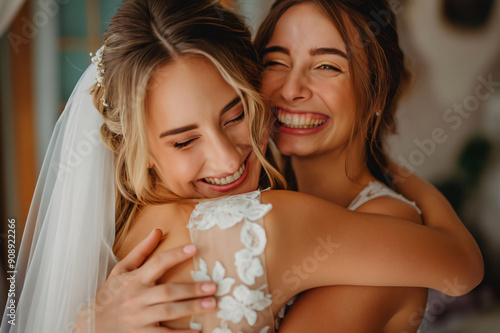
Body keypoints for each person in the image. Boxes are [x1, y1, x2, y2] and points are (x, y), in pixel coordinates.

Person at [1, 1, 482, 332]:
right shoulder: (270, 221)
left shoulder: (123, 224)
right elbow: (462, 268)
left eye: (328, 65)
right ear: (139, 149)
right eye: (277, 60)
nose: (228, 158)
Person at [253, 0, 445, 331]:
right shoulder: (258, 189)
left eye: (327, 66)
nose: (291, 89)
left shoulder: (388, 221)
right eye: (275, 62)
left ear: (376, 94)